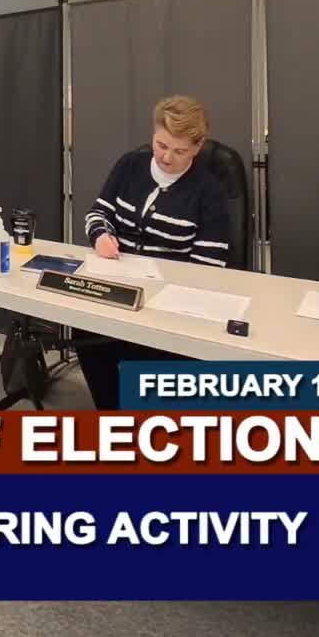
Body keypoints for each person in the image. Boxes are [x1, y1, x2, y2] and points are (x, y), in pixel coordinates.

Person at [75, 95, 231, 409]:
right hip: (118, 286)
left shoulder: (209, 191)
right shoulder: (130, 165)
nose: (166, 157)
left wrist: (160, 293)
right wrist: (101, 235)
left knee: (151, 351)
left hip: (168, 302)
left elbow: (207, 266)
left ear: (197, 148)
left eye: (179, 151)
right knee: (86, 330)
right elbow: (98, 213)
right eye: (161, 145)